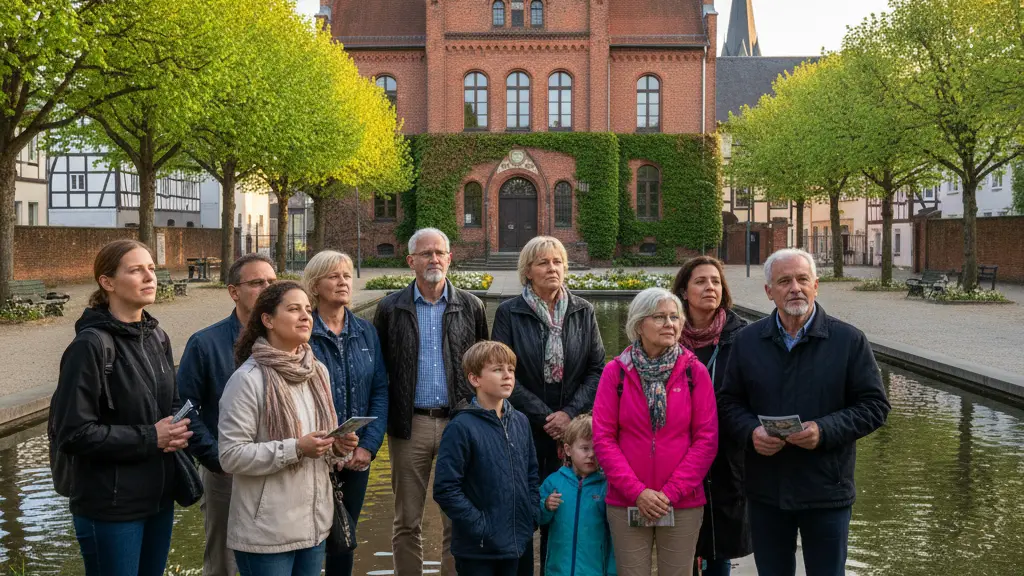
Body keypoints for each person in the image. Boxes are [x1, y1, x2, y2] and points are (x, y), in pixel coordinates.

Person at [718, 248, 891, 576]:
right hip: (766, 490)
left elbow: (875, 406)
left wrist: (824, 431)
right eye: (784, 281)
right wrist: (751, 432)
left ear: (816, 286)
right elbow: (728, 404)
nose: (794, 287)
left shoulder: (849, 340)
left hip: (827, 489)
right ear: (769, 292)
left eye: (802, 279)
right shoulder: (747, 341)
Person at [51, 239, 193, 576]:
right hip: (110, 507)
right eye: (136, 270)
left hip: (158, 499)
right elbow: (73, 433)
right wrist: (151, 437)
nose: (150, 276)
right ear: (107, 282)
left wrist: (176, 430)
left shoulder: (157, 337)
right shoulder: (89, 346)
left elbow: (169, 404)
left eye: (151, 268)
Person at [218, 281, 360, 575]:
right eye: (294, 309)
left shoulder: (317, 371)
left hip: (314, 526)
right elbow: (230, 455)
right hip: (267, 533)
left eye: (308, 309)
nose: (306, 316)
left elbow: (321, 442)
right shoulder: (248, 380)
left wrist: (336, 446)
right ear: (267, 320)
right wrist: (296, 449)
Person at [373, 227, 489, 576]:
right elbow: (380, 371)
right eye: (425, 253)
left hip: (460, 424)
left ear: (450, 259)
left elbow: (485, 367)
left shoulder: (471, 306)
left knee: (457, 517)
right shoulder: (391, 308)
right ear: (411, 261)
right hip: (411, 425)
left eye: (439, 253)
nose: (433, 259)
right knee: (407, 519)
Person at [492, 235, 605, 574]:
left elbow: (598, 369)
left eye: (557, 262)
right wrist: (545, 416)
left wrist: (569, 415)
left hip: (572, 433)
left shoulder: (583, 311)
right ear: (527, 271)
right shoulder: (509, 313)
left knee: (565, 514)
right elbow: (502, 372)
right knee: (526, 512)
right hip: (524, 430)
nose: (552, 268)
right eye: (543, 262)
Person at [592, 287, 718, 576]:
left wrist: (670, 493)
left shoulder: (693, 372)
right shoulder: (616, 372)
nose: (670, 324)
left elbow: (706, 440)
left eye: (675, 317)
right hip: (628, 500)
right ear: (639, 324)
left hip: (682, 501)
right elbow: (604, 438)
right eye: (660, 317)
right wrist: (638, 493)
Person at [177, 252, 277, 576]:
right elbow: (183, 409)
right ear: (234, 291)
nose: (266, 288)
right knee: (223, 562)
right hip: (226, 473)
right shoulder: (204, 343)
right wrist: (217, 460)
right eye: (257, 282)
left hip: (280, 466)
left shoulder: (289, 341)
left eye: (272, 282)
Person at [303, 250, 389, 576]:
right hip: (314, 454)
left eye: (347, 275)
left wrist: (368, 446)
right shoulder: (303, 331)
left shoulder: (366, 331)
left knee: (345, 536)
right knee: (310, 539)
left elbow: (380, 390)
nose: (343, 282)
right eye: (333, 276)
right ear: (314, 284)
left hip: (356, 456)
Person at [670, 256, 751, 576]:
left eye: (715, 281)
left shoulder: (741, 335)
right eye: (701, 281)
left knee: (721, 541)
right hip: (677, 450)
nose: (710, 288)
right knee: (679, 539)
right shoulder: (666, 332)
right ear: (684, 291)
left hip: (726, 452)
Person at [433, 341, 539, 576]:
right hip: (478, 550)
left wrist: (531, 515)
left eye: (511, 369)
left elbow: (531, 474)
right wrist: (481, 527)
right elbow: (445, 489)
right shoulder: (461, 427)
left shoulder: (521, 421)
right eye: (497, 369)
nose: (507, 376)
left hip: (519, 543)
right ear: (475, 379)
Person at [538, 414, 616, 576]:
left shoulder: (606, 486)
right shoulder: (554, 482)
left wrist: (611, 571)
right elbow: (538, 517)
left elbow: (614, 534)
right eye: (585, 448)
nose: (592, 455)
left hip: (594, 570)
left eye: (597, 448)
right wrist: (546, 506)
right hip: (558, 569)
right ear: (568, 450)